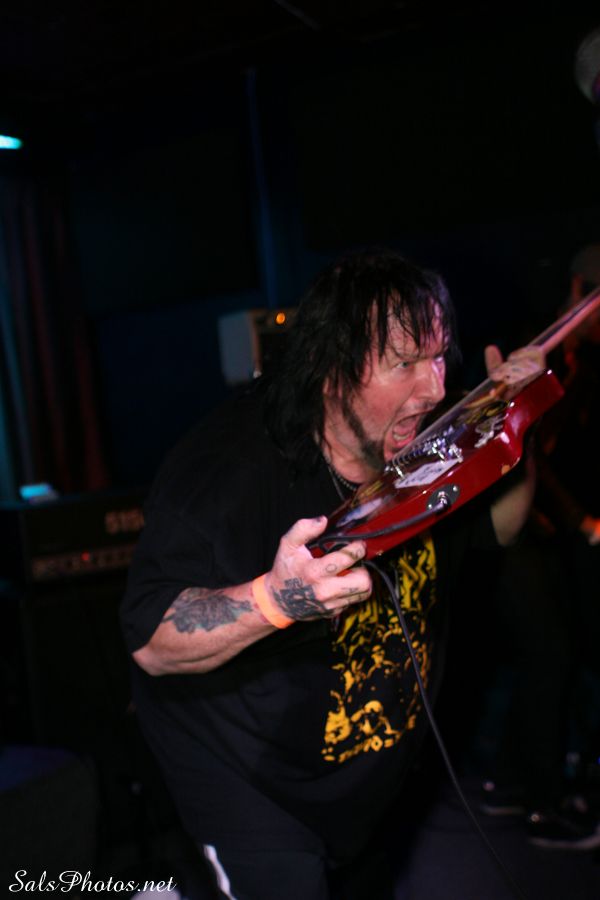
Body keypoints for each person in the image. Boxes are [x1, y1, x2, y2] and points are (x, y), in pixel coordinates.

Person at [121, 248, 534, 899]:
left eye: (438, 357)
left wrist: (515, 429)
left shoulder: (422, 440)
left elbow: (499, 529)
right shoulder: (229, 467)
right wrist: (276, 599)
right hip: (249, 782)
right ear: (330, 370)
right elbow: (151, 640)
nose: (433, 387)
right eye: (405, 363)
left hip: (363, 787)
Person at [478, 243, 600, 850]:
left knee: (551, 654)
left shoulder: (581, 358)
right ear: (579, 291)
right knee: (549, 655)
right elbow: (525, 452)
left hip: (539, 532)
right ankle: (541, 802)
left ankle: (510, 781)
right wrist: (580, 520)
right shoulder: (539, 349)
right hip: (509, 530)